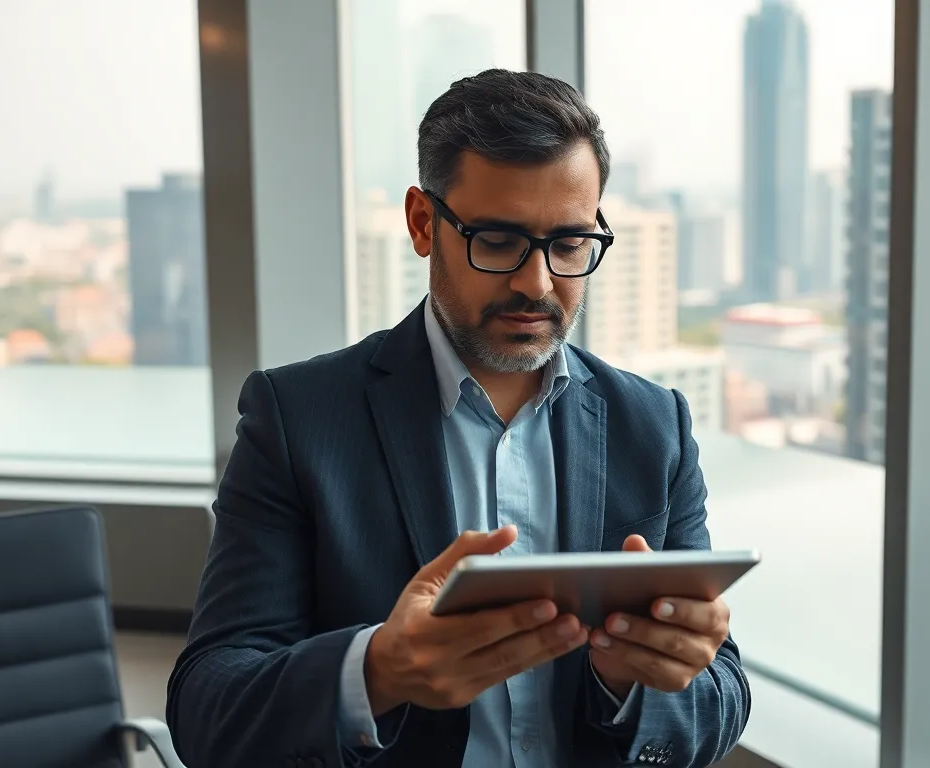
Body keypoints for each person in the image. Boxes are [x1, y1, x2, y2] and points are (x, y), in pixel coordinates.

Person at [167, 68, 749, 768]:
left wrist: (636, 680)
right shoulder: (298, 419)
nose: (537, 284)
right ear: (422, 223)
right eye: (498, 240)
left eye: (569, 245)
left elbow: (721, 697)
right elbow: (207, 712)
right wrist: (377, 670)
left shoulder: (654, 425)